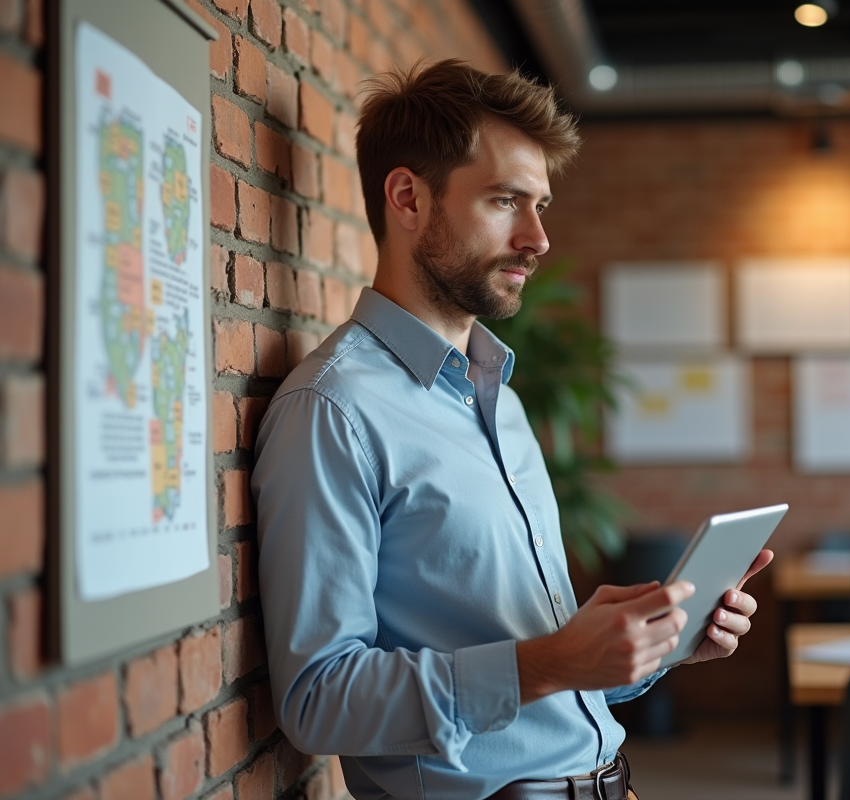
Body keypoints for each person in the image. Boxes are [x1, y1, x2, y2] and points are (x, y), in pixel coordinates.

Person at [251, 58, 773, 800]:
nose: (539, 238)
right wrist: (552, 662)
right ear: (407, 198)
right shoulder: (334, 412)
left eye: (541, 204)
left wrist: (653, 649)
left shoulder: (499, 397)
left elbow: (539, 676)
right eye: (506, 201)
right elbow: (318, 700)